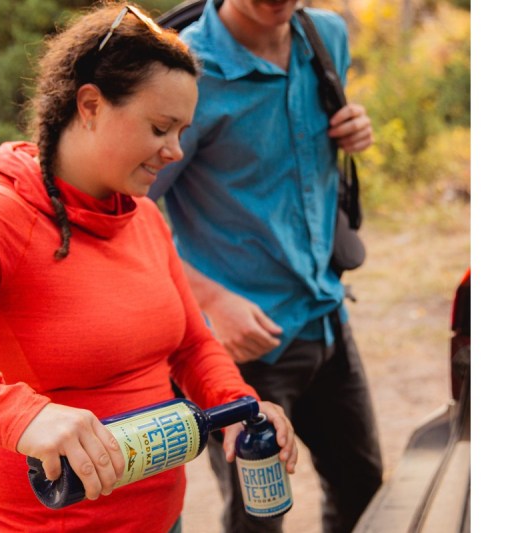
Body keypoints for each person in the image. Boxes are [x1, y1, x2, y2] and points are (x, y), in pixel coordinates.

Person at [0, 3, 298, 532]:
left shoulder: (143, 217)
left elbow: (192, 345)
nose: (175, 151)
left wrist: (239, 407)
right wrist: (16, 414)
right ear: (91, 104)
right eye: (160, 127)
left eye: (182, 132)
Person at [148, 0, 383, 532]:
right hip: (241, 349)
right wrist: (207, 300)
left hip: (325, 317)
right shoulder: (183, 71)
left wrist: (353, 131)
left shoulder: (324, 35)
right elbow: (124, 211)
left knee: (365, 496)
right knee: (260, 522)